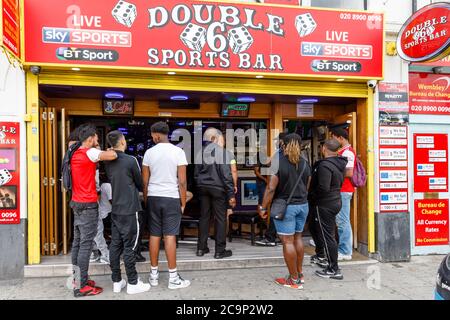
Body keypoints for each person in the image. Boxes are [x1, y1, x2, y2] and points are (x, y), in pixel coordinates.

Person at [70, 124, 117, 297]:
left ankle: (77, 279)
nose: (98, 141)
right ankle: (81, 286)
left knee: (78, 243)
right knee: (85, 245)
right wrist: (100, 148)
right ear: (90, 139)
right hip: (88, 204)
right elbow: (112, 155)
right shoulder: (89, 152)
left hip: (76, 203)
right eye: (96, 138)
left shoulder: (74, 152)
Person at [258, 133, 311, 289]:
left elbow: (270, 188)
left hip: (286, 207)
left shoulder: (278, 162)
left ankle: (293, 280)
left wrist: (263, 206)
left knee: (287, 241)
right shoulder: (305, 163)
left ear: (283, 145)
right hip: (303, 205)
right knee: (298, 238)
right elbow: (307, 185)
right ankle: (299, 274)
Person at [142, 121, 191, 290]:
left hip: (154, 197)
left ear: (156, 135)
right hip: (171, 198)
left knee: (154, 235)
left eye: (152, 134)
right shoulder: (178, 152)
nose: (151, 137)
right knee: (170, 236)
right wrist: (183, 203)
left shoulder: (149, 153)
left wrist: (148, 200)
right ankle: (173, 278)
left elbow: (145, 181)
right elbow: (182, 182)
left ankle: (153, 276)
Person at [104, 130, 150, 295]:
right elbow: (140, 183)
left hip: (116, 209)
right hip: (131, 209)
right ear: (122, 142)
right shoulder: (131, 160)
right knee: (130, 247)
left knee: (115, 245)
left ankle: (117, 281)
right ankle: (133, 282)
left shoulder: (107, 161)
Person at [308, 139, 347, 280]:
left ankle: (333, 269)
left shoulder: (325, 165)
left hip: (325, 203)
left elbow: (323, 187)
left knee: (327, 236)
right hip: (336, 200)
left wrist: (312, 196)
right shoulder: (340, 163)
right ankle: (327, 261)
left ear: (324, 148)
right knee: (328, 233)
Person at [195, 128, 236, 259]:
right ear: (214, 138)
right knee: (220, 218)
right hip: (218, 188)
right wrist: (231, 194)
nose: (222, 143)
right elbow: (226, 175)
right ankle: (219, 251)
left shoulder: (200, 152)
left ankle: (201, 248)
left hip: (202, 187)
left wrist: (200, 185)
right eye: (222, 140)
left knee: (204, 217)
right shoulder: (222, 153)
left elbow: (196, 174)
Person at [255, 132, 287, 247]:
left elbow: (272, 170)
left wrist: (263, 207)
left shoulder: (280, 155)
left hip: (279, 189)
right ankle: (276, 237)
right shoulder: (282, 155)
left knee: (275, 212)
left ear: (282, 142)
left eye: (277, 140)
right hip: (288, 192)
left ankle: (271, 237)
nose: (276, 142)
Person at [330, 127, 356, 261]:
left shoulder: (348, 153)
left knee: (343, 221)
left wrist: (333, 172)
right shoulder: (342, 152)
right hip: (341, 190)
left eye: (333, 137)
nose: (332, 141)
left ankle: (345, 251)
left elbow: (350, 172)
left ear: (340, 138)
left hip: (345, 190)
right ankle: (343, 248)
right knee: (340, 220)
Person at [92, 172, 111, 265]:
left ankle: (93, 253)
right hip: (91, 202)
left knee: (86, 230)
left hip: (78, 201)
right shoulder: (92, 166)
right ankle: (105, 255)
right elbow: (97, 189)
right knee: (98, 229)